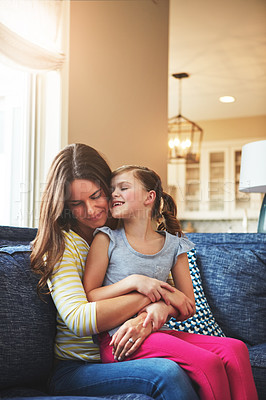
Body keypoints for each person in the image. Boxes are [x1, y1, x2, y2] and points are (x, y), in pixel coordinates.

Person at [30, 143, 199, 400]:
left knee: (211, 359)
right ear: (63, 204)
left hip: (130, 353)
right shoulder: (62, 245)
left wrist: (158, 308)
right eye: (76, 203)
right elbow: (79, 319)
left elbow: (175, 298)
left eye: (97, 195)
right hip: (78, 368)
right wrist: (145, 290)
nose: (90, 210)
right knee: (166, 374)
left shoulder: (124, 235)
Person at [83, 165, 258, 400]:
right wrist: (136, 282)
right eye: (111, 189)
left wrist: (163, 305)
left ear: (149, 197)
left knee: (235, 349)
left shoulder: (175, 245)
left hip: (159, 332)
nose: (114, 194)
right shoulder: (106, 239)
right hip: (120, 338)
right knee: (207, 362)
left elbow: (188, 306)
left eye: (123, 188)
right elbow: (90, 295)